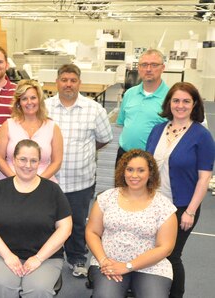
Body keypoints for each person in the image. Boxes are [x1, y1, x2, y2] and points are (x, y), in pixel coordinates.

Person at [146, 82, 215, 298]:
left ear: (194, 104)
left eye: (186, 101)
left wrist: (191, 211)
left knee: (171, 255)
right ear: (169, 103)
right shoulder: (158, 129)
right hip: (152, 204)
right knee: (150, 251)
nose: (180, 105)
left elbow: (204, 178)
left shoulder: (201, 136)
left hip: (181, 207)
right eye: (176, 100)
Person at [0, 139, 72, 298]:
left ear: (39, 162)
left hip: (45, 255)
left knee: (38, 290)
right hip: (1, 253)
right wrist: (7, 255)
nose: (28, 165)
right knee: (3, 287)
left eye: (33, 160)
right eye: (22, 159)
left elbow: (65, 228)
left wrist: (38, 258)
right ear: (13, 160)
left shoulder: (53, 190)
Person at [46, 64, 113, 277]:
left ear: (79, 83)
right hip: (50, 180)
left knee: (77, 222)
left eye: (72, 80)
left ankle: (77, 259)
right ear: (56, 82)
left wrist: (83, 152)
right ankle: (49, 258)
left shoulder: (94, 109)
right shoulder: (44, 107)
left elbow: (104, 139)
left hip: (80, 180)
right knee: (47, 221)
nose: (68, 84)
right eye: (64, 79)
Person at [86, 149, 177, 297]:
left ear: (150, 173)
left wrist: (128, 266)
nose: (134, 175)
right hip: (109, 263)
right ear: (123, 171)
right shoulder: (106, 198)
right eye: (129, 170)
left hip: (151, 267)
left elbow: (165, 247)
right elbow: (92, 232)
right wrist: (104, 260)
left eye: (141, 170)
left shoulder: (163, 206)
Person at [0, 79, 63, 182]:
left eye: (33, 98)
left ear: (39, 100)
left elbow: (57, 162)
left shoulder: (53, 127)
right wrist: (15, 180)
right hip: (9, 183)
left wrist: (37, 182)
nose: (29, 102)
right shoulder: (7, 125)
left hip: (43, 185)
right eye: (24, 99)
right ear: (19, 103)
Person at [116, 49, 168, 162]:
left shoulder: (171, 97)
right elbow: (122, 123)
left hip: (153, 158)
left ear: (163, 68)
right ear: (139, 68)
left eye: (154, 65)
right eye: (144, 65)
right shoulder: (129, 94)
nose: (148, 69)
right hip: (124, 155)